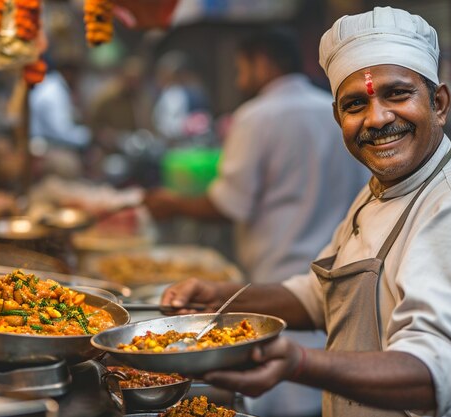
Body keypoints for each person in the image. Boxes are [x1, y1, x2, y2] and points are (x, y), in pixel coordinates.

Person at [159, 7, 451, 417]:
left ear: (439, 103)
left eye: (397, 94)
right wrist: (222, 301)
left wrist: (299, 363)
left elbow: (430, 372)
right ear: (338, 117)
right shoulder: (379, 192)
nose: (377, 118)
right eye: (356, 104)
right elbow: (322, 297)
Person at [145, 28, 370, 417]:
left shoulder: (256, 116)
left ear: (262, 61)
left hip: (277, 282)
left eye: (240, 67)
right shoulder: (335, 110)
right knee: (325, 396)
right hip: (335, 277)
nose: (237, 78)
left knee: (278, 390)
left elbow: (230, 204)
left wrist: (173, 204)